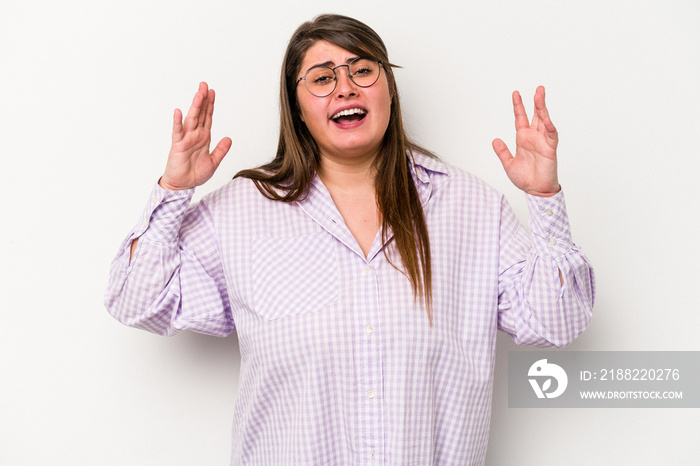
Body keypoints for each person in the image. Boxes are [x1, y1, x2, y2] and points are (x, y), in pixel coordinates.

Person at [105, 13, 594, 465]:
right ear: (297, 108)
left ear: (389, 90)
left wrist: (544, 197)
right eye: (322, 78)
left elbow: (558, 324)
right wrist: (174, 192)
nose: (344, 88)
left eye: (362, 70)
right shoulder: (241, 211)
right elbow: (135, 301)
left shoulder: (472, 208)